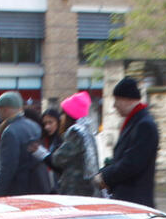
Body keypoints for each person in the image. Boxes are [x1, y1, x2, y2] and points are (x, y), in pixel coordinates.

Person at [95, 76, 159, 207]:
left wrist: (104, 177)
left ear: (126, 99)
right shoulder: (135, 121)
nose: (114, 105)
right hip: (128, 198)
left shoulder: (144, 124)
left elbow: (131, 163)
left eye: (117, 100)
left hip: (136, 200)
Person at [0, 91, 52, 197]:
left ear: (6, 109)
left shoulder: (9, 132)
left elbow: (7, 168)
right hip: (37, 185)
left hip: (17, 189)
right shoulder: (34, 126)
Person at [47, 91, 101, 197]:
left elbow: (58, 159)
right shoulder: (87, 130)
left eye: (63, 114)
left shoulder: (75, 132)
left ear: (69, 115)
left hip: (75, 189)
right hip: (88, 188)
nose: (61, 118)